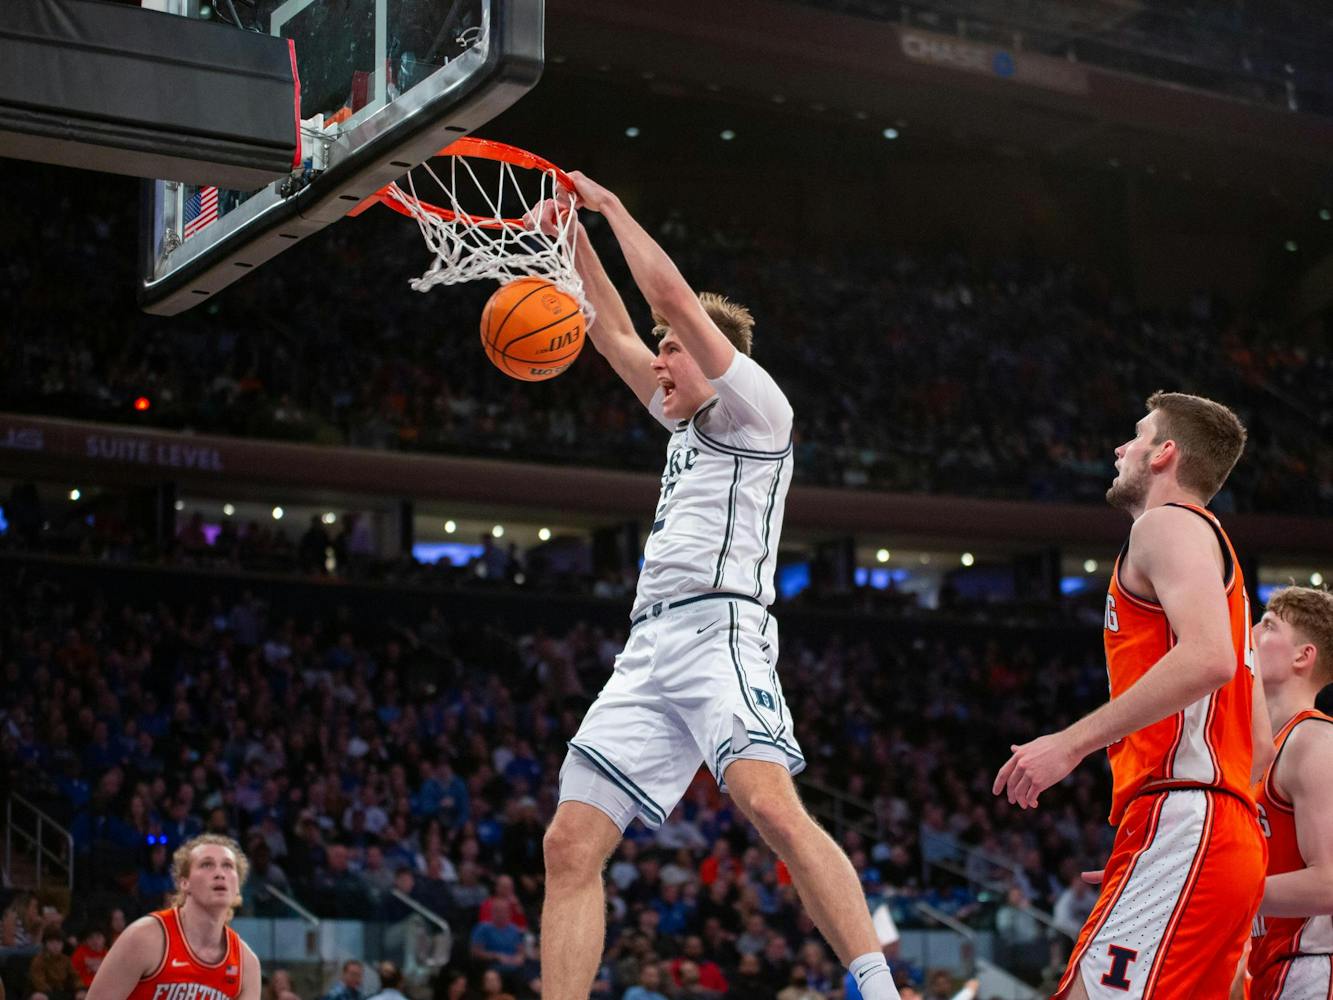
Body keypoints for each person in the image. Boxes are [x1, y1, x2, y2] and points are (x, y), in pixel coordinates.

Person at [538, 173, 900, 1000]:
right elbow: (608, 329)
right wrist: (568, 236)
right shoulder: (682, 418)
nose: (656, 362)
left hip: (720, 631)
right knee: (568, 844)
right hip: (648, 647)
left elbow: (665, 298)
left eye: (670, 350)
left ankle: (878, 988)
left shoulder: (757, 412)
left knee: (770, 807)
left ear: (709, 357)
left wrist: (611, 208)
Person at [993, 391, 1271, 999]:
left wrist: (1071, 744)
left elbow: (1209, 658)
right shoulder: (1216, 560)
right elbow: (1262, 741)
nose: (1121, 448)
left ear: (1165, 453)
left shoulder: (1167, 523)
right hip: (1214, 829)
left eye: (1138, 435)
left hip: (1189, 819)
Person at [1244, 586, 1333, 1000]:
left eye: (1268, 625)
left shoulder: (1314, 740)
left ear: (1302, 656)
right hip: (1272, 968)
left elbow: (1329, 883)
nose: (1251, 633)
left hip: (1315, 967)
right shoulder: (1259, 749)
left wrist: (1213, 891)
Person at [85, 834, 260, 1000]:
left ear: (237, 887)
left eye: (228, 866)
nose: (220, 873)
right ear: (184, 883)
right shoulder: (144, 938)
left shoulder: (247, 964)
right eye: (207, 864)